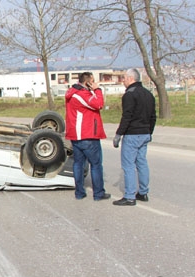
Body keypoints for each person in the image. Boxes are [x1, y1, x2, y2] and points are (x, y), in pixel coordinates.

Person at [112, 68, 157, 206]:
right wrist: (149, 132)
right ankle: (143, 192)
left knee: (128, 165)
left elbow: (127, 116)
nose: (123, 81)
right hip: (144, 133)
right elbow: (153, 116)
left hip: (132, 134)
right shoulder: (149, 94)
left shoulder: (129, 95)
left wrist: (119, 134)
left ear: (131, 78)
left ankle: (130, 196)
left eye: (124, 78)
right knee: (142, 163)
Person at [65, 72, 111, 201]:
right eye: (93, 81)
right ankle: (98, 193)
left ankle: (79, 192)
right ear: (88, 82)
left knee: (78, 163)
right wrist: (97, 90)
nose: (95, 82)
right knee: (96, 164)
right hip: (88, 134)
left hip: (76, 135)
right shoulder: (82, 94)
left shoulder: (72, 93)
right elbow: (98, 104)